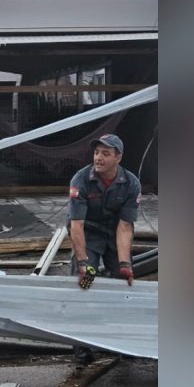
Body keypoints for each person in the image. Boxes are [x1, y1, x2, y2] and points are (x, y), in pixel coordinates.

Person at [66, 133, 141, 361]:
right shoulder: (80, 180)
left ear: (118, 157)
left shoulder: (130, 184)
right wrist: (83, 263)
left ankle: (118, 341)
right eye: (97, 152)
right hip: (88, 233)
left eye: (105, 154)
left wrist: (125, 263)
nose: (98, 158)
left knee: (121, 283)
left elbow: (125, 227)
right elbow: (76, 225)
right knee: (84, 283)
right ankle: (81, 344)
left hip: (114, 232)